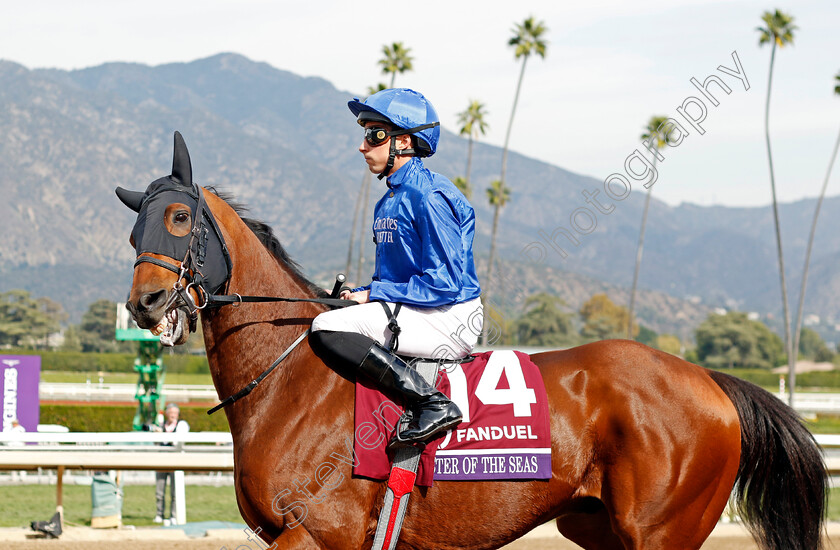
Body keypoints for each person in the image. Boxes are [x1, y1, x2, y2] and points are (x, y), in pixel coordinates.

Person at [310, 88, 482, 448]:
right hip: (422, 310)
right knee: (329, 310)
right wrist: (357, 295)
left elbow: (445, 283)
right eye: (365, 135)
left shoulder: (429, 196)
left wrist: (374, 295)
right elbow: (392, 283)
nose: (363, 146)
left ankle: (432, 404)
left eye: (375, 135)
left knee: (325, 327)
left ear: (404, 142)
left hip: (450, 314)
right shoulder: (389, 201)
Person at [154, 403, 189, 525]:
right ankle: (159, 514)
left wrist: (163, 435)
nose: (173, 415)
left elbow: (177, 440)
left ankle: (173, 515)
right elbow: (156, 443)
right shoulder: (160, 426)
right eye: (171, 413)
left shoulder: (182, 425)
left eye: (175, 413)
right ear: (167, 414)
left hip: (176, 461)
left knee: (175, 491)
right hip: (161, 462)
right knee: (160, 491)